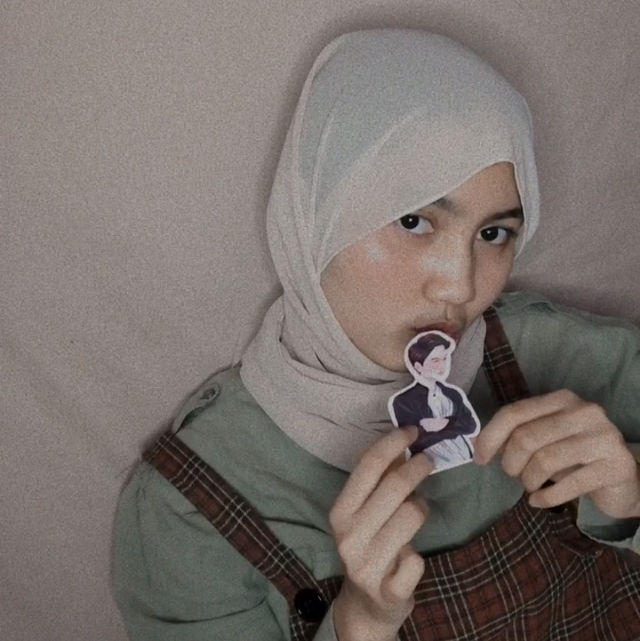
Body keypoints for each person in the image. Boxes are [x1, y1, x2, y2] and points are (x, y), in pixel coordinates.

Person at [112, 29, 640, 641]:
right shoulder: (188, 512)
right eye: (414, 220)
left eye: (493, 234)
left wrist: (634, 500)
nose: (460, 285)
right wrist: (358, 625)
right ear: (318, 214)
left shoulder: (568, 357)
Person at [389, 332, 481, 468]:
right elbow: (414, 444)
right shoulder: (403, 400)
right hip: (432, 467)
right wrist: (453, 427)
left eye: (444, 358)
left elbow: (471, 425)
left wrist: (446, 423)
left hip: (467, 457)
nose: (442, 365)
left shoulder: (453, 393)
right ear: (418, 366)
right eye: (435, 361)